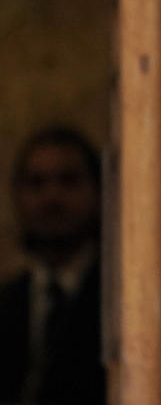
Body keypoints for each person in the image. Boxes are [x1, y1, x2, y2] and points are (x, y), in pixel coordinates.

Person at [0, 127, 105, 405]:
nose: (51, 197)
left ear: (98, 192)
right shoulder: (7, 302)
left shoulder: (122, 306)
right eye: (36, 183)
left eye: (68, 181)